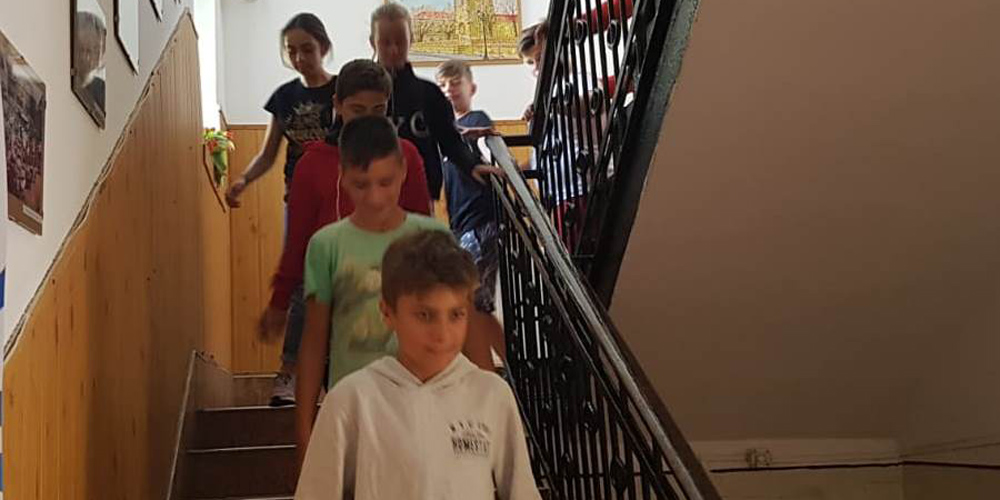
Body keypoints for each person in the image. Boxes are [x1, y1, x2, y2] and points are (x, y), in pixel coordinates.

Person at [295, 230, 541, 500]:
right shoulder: (352, 400)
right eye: (425, 315)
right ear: (388, 312)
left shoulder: (492, 395)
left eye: (456, 315)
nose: (442, 334)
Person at [260, 59, 433, 406]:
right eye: (357, 109)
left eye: (378, 110)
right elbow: (297, 243)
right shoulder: (313, 164)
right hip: (334, 298)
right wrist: (279, 301)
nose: (368, 119)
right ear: (337, 105)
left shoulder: (407, 156)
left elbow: (422, 231)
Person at [294, 115, 449, 469]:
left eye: (385, 182)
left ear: (403, 171)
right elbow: (314, 339)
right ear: (343, 176)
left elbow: (460, 326)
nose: (375, 197)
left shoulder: (433, 238)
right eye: (361, 185)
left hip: (427, 407)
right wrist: (304, 435)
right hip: (355, 411)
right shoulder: (326, 245)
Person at [368, 3, 501, 206]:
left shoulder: (429, 94)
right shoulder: (359, 93)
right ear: (373, 42)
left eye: (400, 42)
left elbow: (449, 140)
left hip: (419, 191)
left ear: (411, 40)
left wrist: (471, 164)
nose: (394, 50)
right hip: (369, 192)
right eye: (385, 43)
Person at [226, 13, 337, 207]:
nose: (299, 58)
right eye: (291, 51)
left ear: (324, 47)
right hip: (298, 192)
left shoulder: (343, 89)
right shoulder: (283, 96)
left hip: (338, 190)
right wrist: (244, 179)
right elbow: (267, 156)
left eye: (307, 49)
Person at [435, 59, 505, 365]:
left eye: (455, 83)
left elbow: (490, 151)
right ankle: (501, 367)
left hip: (481, 222)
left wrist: (467, 133)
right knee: (475, 303)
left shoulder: (477, 120)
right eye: (442, 85)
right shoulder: (444, 137)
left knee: (467, 301)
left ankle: (483, 370)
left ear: (471, 88)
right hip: (461, 224)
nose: (449, 89)